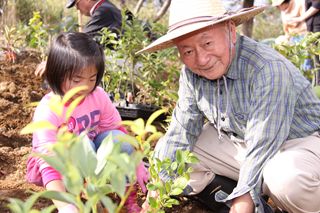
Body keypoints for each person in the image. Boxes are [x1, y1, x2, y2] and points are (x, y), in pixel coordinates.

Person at [137, 0, 320, 212]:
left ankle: (264, 196)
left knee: (285, 179)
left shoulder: (267, 68)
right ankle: (236, 194)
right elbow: (182, 131)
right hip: (243, 141)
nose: (202, 59)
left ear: (231, 31)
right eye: (187, 51)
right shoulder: (191, 75)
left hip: (299, 143)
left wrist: (243, 199)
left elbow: (263, 141)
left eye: (207, 44)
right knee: (175, 155)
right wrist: (157, 188)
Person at [26, 32, 149, 213]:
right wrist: (64, 205)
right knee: (82, 144)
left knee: (117, 140)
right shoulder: (48, 109)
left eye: (92, 79)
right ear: (56, 73)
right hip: (59, 170)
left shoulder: (98, 96)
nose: (86, 87)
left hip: (91, 159)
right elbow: (49, 164)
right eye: (77, 80)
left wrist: (136, 160)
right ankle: (80, 200)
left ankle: (126, 198)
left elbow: (117, 129)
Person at [288, 0, 320, 84]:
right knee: (315, 61)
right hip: (312, 29)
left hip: (317, 28)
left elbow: (317, 4)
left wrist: (300, 18)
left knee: (317, 61)